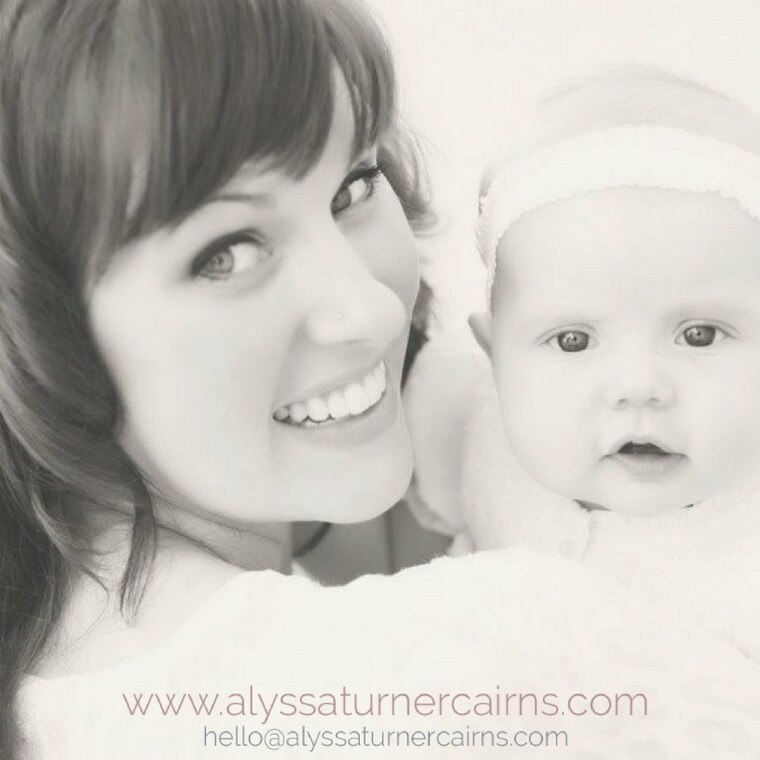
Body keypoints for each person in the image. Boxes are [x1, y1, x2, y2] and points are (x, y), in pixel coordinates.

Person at [3, 6, 759, 756]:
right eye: (227, 254)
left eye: (353, 188)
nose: (371, 307)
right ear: (35, 330)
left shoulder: (63, 677)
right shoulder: (498, 663)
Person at [407, 67, 760, 661]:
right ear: (495, 360)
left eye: (699, 335)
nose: (639, 386)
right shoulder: (469, 423)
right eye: (573, 341)